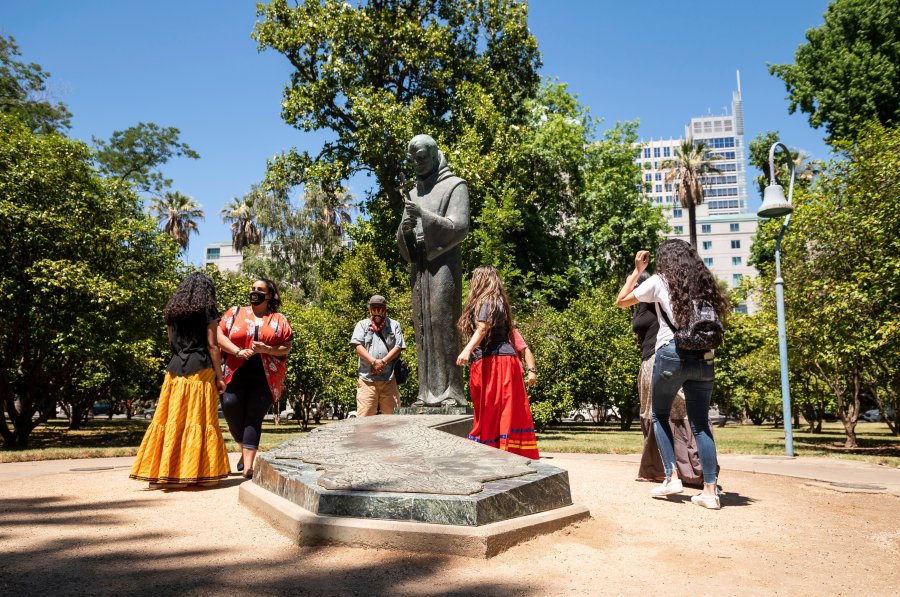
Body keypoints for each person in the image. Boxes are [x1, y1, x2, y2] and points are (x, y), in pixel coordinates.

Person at [616, 240, 729, 509]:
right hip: (704, 357)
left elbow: (621, 301)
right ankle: (710, 492)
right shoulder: (703, 283)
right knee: (701, 423)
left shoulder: (659, 281)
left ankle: (671, 476)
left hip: (671, 354)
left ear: (665, 259)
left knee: (659, 415)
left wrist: (636, 270)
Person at [129, 272, 230, 488]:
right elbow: (213, 345)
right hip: (200, 369)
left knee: (169, 420)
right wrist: (220, 376)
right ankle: (195, 474)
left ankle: (163, 474)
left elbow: (170, 339)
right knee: (199, 421)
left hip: (175, 370)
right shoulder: (207, 310)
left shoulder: (173, 311)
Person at [396, 134, 470, 407]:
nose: (417, 164)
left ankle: (452, 391)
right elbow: (403, 238)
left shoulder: (455, 186)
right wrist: (405, 231)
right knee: (423, 325)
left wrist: (424, 216)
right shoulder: (413, 193)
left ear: (436, 154)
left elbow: (460, 227)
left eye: (422, 158)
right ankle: (425, 394)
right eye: (413, 160)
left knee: (443, 322)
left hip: (443, 266)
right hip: (421, 269)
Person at [456, 266, 539, 459]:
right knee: (500, 409)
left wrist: (467, 349)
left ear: (481, 281)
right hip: (498, 361)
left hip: (495, 362)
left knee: (492, 408)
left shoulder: (488, 300)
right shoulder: (498, 302)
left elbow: (484, 327)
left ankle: (495, 451)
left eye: (475, 278)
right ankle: (501, 450)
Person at [631, 271, 704, 486]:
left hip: (661, 358)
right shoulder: (643, 305)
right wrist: (635, 274)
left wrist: (637, 273)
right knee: (652, 413)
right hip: (649, 360)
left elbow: (621, 299)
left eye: (637, 283)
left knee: (676, 411)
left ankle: (691, 470)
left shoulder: (658, 299)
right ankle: (655, 469)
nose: (634, 287)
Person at [217, 278, 293, 479]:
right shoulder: (234, 313)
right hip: (234, 374)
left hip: (265, 377)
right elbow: (219, 336)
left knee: (253, 418)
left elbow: (287, 346)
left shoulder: (279, 319)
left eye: (260, 290)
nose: (255, 292)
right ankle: (245, 452)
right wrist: (237, 351)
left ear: (269, 295)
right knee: (231, 409)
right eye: (253, 289)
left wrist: (267, 349)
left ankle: (248, 466)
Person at [349, 294, 406, 417]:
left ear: (385, 308)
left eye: (380, 307)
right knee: (364, 420)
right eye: (374, 307)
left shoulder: (394, 325)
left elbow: (398, 346)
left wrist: (383, 361)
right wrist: (373, 361)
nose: (377, 310)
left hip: (389, 380)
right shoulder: (362, 325)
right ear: (369, 308)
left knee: (393, 421)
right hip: (367, 381)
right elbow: (358, 346)